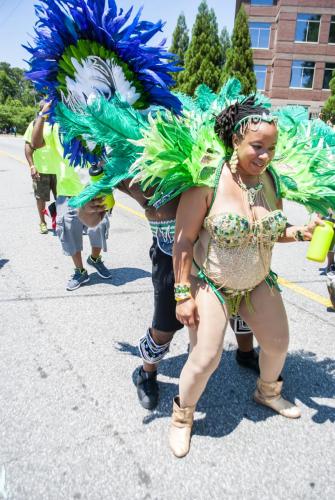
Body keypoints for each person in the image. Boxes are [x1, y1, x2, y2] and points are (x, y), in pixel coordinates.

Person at [168, 96, 322, 457]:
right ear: (234, 140)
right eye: (257, 146)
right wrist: (182, 294)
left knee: (278, 343)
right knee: (206, 357)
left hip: (257, 282)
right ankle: (181, 417)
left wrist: (302, 232)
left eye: (271, 147)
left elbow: (272, 232)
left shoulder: (271, 181)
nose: (265, 155)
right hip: (213, 285)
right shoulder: (205, 179)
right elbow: (184, 240)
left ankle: (267, 391)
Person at [79, 178, 260, 411]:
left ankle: (245, 353)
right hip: (170, 254)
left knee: (238, 301)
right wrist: (88, 208)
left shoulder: (209, 144)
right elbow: (90, 220)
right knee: (165, 325)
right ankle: (146, 373)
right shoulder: (125, 160)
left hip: (219, 245)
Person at [31, 101, 112, 290]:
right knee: (69, 231)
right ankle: (80, 271)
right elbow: (35, 143)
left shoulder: (90, 118)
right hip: (67, 191)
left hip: (93, 188)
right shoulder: (54, 124)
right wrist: (42, 115)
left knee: (98, 228)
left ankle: (95, 258)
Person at [24, 103, 57, 234]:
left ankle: (58, 219)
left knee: (62, 198)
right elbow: (28, 148)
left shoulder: (57, 122)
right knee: (40, 198)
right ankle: (42, 222)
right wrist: (32, 166)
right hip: (41, 169)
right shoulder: (34, 124)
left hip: (58, 170)